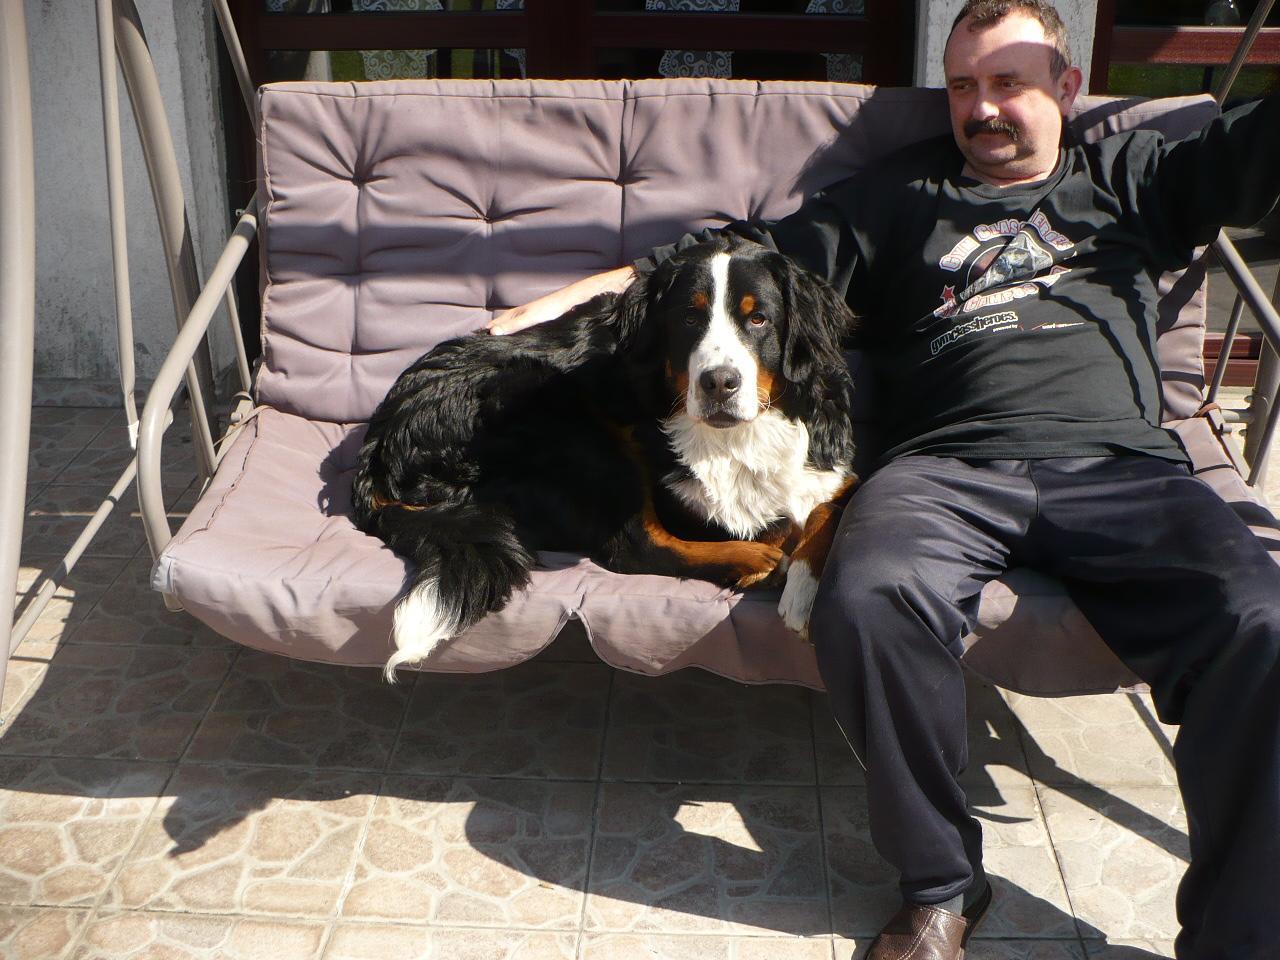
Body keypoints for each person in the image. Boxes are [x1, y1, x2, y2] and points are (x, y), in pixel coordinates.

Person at [490, 3, 1280, 957]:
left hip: (1117, 468)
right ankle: (942, 884)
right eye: (963, 86)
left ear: (1068, 88)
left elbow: (1252, 154)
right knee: (865, 600)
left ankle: (1241, 938)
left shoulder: (1133, 176)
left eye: (1009, 84)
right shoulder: (896, 195)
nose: (982, 109)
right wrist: (578, 296)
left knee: (1263, 621)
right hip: (943, 469)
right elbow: (739, 258)